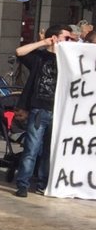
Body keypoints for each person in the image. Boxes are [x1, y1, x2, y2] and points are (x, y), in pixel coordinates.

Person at [12, 25, 72, 198]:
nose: (69, 42)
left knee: (49, 150)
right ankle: (23, 183)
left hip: (59, 111)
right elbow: (19, 52)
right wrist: (43, 42)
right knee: (31, 148)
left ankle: (43, 183)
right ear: (55, 38)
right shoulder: (40, 57)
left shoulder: (68, 59)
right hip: (40, 109)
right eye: (66, 38)